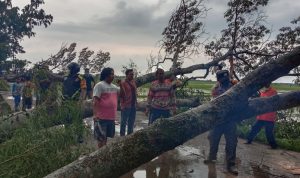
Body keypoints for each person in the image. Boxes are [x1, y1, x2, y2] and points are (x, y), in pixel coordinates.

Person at [204, 70, 238, 175]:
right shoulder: (215, 89)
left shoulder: (235, 86)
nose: (225, 80)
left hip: (231, 120)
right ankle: (211, 157)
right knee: (213, 138)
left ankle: (231, 164)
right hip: (217, 120)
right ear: (218, 80)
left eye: (226, 78)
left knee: (232, 143)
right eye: (221, 79)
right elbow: (213, 104)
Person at [245, 83, 278, 149]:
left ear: (269, 84)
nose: (265, 86)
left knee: (269, 132)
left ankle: (273, 146)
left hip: (269, 117)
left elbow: (273, 102)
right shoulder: (262, 92)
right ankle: (249, 140)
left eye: (266, 84)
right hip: (261, 116)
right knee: (254, 128)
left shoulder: (273, 92)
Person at [93, 67, 119, 148]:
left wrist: (122, 84)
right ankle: (99, 156)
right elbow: (95, 101)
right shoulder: (99, 85)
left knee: (106, 137)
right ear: (106, 75)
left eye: (113, 74)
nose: (113, 76)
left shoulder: (114, 87)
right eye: (111, 74)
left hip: (111, 118)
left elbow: (123, 93)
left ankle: (103, 155)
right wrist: (95, 114)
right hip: (101, 117)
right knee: (101, 138)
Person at [62, 62, 87, 143]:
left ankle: (80, 136)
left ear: (73, 70)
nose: (68, 70)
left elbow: (83, 90)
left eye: (69, 69)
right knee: (66, 119)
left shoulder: (80, 78)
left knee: (78, 119)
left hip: (75, 102)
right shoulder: (65, 78)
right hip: (66, 102)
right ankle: (68, 135)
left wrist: (80, 101)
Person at [119, 69, 137, 136]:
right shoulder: (123, 83)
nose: (132, 76)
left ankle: (129, 136)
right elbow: (121, 95)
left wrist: (136, 103)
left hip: (133, 105)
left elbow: (135, 93)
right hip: (126, 105)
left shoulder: (133, 82)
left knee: (131, 122)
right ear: (126, 75)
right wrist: (122, 105)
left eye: (133, 74)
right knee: (123, 122)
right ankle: (122, 137)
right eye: (131, 74)